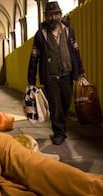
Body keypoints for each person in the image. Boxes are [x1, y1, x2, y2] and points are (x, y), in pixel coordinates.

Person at [27, 1, 85, 145]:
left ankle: (60, 125)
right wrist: (31, 79)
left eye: (56, 14)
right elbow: (34, 57)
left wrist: (81, 70)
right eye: (50, 15)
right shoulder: (41, 35)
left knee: (66, 101)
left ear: (60, 14)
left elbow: (76, 51)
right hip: (50, 76)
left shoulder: (68, 30)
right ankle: (59, 133)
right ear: (46, 16)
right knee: (55, 106)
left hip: (67, 74)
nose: (54, 18)